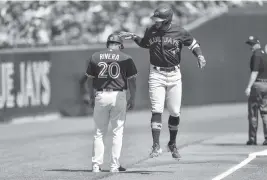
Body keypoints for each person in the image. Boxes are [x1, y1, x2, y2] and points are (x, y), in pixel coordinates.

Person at [119, 4, 206, 159]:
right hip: (156, 74)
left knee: (174, 112)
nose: (156, 21)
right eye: (156, 19)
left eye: (159, 19)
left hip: (174, 74)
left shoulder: (179, 31)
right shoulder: (151, 30)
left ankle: (172, 143)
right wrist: (134, 37)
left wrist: (199, 55)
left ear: (167, 20)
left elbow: (193, 44)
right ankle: (156, 145)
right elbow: (145, 43)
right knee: (157, 109)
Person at [79, 33, 138, 172]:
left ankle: (96, 165)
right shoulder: (126, 57)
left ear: (108, 44)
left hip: (101, 94)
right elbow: (132, 80)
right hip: (118, 95)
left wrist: (91, 96)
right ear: (119, 45)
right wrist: (133, 97)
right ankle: (114, 165)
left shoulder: (95, 56)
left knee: (99, 132)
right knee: (118, 131)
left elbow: (89, 79)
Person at [245, 36, 267, 146]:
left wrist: (249, 86)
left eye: (252, 44)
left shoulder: (256, 55)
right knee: (265, 112)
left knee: (253, 112)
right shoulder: (264, 54)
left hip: (257, 85)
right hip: (266, 84)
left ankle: (252, 139)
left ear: (257, 44)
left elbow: (254, 72)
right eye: (250, 44)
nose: (251, 47)